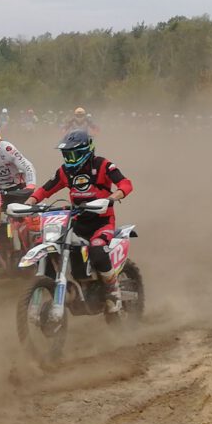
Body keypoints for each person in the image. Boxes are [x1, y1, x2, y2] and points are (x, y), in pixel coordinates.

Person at [27, 129, 134, 310]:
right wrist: (29, 203)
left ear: (86, 151)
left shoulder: (102, 165)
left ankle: (112, 290)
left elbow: (126, 184)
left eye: (73, 154)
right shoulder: (64, 172)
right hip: (76, 221)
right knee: (42, 245)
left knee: (97, 250)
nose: (69, 159)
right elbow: (45, 190)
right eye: (66, 155)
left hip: (101, 222)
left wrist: (111, 198)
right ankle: (58, 285)